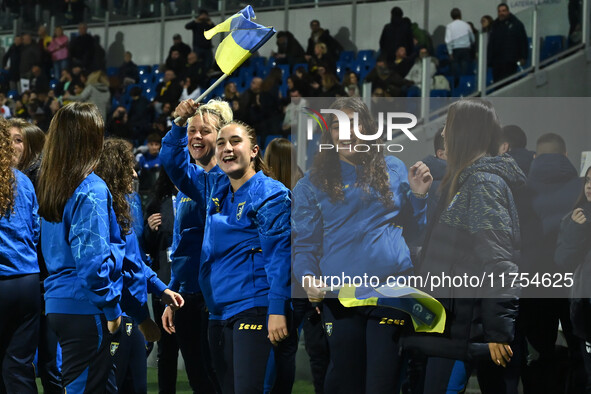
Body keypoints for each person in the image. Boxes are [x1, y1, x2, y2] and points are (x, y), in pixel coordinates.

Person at [293, 97, 432, 393]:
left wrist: (420, 197)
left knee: (382, 383)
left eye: (354, 125)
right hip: (340, 297)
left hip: (391, 290)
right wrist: (307, 279)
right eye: (336, 126)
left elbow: (417, 231)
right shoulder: (311, 184)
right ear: (329, 134)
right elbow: (304, 246)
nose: (346, 133)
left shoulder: (393, 168)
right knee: (345, 380)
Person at [161, 99, 292, 393]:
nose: (227, 148)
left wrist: (277, 308)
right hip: (218, 311)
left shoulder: (270, 194)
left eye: (235, 141)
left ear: (254, 150)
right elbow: (174, 164)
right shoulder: (214, 189)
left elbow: (280, 257)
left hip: (254, 308)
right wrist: (178, 126)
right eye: (222, 143)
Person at [404, 98, 524, 393]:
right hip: (447, 324)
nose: (443, 133)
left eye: (448, 126)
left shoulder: (483, 183)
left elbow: (500, 261)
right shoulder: (463, 181)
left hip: (461, 329)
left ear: (463, 133)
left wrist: (498, 332)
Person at [36, 102, 123, 392]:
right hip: (85, 305)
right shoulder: (91, 188)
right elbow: (91, 264)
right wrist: (112, 309)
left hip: (59, 303)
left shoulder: (53, 185)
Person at [94, 138, 183, 393]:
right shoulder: (104, 208)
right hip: (116, 315)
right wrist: (144, 317)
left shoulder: (123, 206)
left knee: (134, 385)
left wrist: (161, 290)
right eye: (128, 167)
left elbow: (135, 262)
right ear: (113, 169)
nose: (134, 173)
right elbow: (123, 268)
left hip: (129, 314)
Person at [161, 100, 234, 394]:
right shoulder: (193, 181)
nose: (196, 137)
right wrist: (172, 291)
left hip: (217, 294)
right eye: (192, 130)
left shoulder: (227, 180)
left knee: (220, 376)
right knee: (198, 377)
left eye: (205, 131)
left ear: (221, 138)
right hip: (187, 294)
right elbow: (182, 246)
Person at [0, 116, 40, 394]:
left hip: (2, 279)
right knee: (19, 366)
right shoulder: (23, 180)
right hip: (27, 282)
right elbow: (35, 231)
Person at [555, 166, 591, 392]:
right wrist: (577, 231)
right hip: (585, 308)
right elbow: (562, 260)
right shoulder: (576, 217)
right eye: (588, 180)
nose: (589, 186)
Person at [487, 4, 528, 82]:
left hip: (510, 61)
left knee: (508, 83)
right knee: (497, 85)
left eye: (503, 11)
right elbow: (491, 43)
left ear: (508, 11)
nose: (501, 13)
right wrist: (489, 59)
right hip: (497, 62)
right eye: (499, 11)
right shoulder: (494, 25)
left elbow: (522, 41)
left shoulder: (517, 24)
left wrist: (523, 56)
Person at [445, 8, 475, 83]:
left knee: (455, 71)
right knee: (465, 71)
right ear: (460, 15)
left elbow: (448, 40)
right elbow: (472, 38)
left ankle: (457, 86)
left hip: (455, 50)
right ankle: (464, 85)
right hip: (466, 49)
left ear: (451, 16)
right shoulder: (466, 25)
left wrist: (450, 52)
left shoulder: (449, 26)